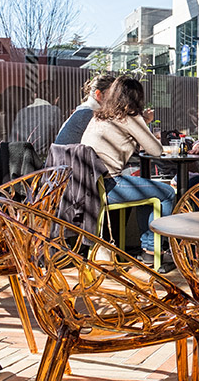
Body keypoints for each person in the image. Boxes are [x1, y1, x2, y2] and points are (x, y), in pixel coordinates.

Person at [81, 76, 175, 261]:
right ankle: (150, 250)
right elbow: (155, 150)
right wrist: (142, 121)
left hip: (90, 186)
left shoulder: (100, 116)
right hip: (110, 185)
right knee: (167, 193)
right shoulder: (128, 116)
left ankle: (148, 247)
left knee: (148, 192)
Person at [54, 74, 116, 145]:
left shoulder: (84, 109)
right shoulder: (88, 114)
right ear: (98, 94)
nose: (116, 99)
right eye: (113, 95)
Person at [11, 79, 63, 156]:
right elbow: (59, 139)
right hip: (40, 159)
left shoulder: (22, 112)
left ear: (35, 95)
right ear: (56, 99)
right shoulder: (54, 111)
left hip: (19, 158)